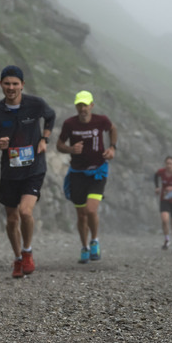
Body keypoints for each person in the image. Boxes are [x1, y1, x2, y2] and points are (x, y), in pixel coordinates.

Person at [0, 65, 55, 278]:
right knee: (12, 219)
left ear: (22, 85)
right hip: (10, 171)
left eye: (15, 84)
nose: (11, 87)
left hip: (34, 168)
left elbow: (51, 116)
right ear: (0, 84)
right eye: (7, 83)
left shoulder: (35, 104)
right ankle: (17, 258)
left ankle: (27, 251)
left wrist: (44, 139)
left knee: (25, 212)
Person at [56, 91, 117, 263]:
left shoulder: (101, 120)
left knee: (91, 210)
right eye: (79, 105)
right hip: (77, 173)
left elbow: (112, 129)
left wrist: (112, 148)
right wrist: (70, 149)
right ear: (76, 106)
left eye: (85, 105)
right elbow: (59, 144)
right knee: (81, 215)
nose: (82, 108)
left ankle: (94, 240)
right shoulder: (69, 124)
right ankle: (84, 247)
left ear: (91, 105)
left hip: (98, 172)